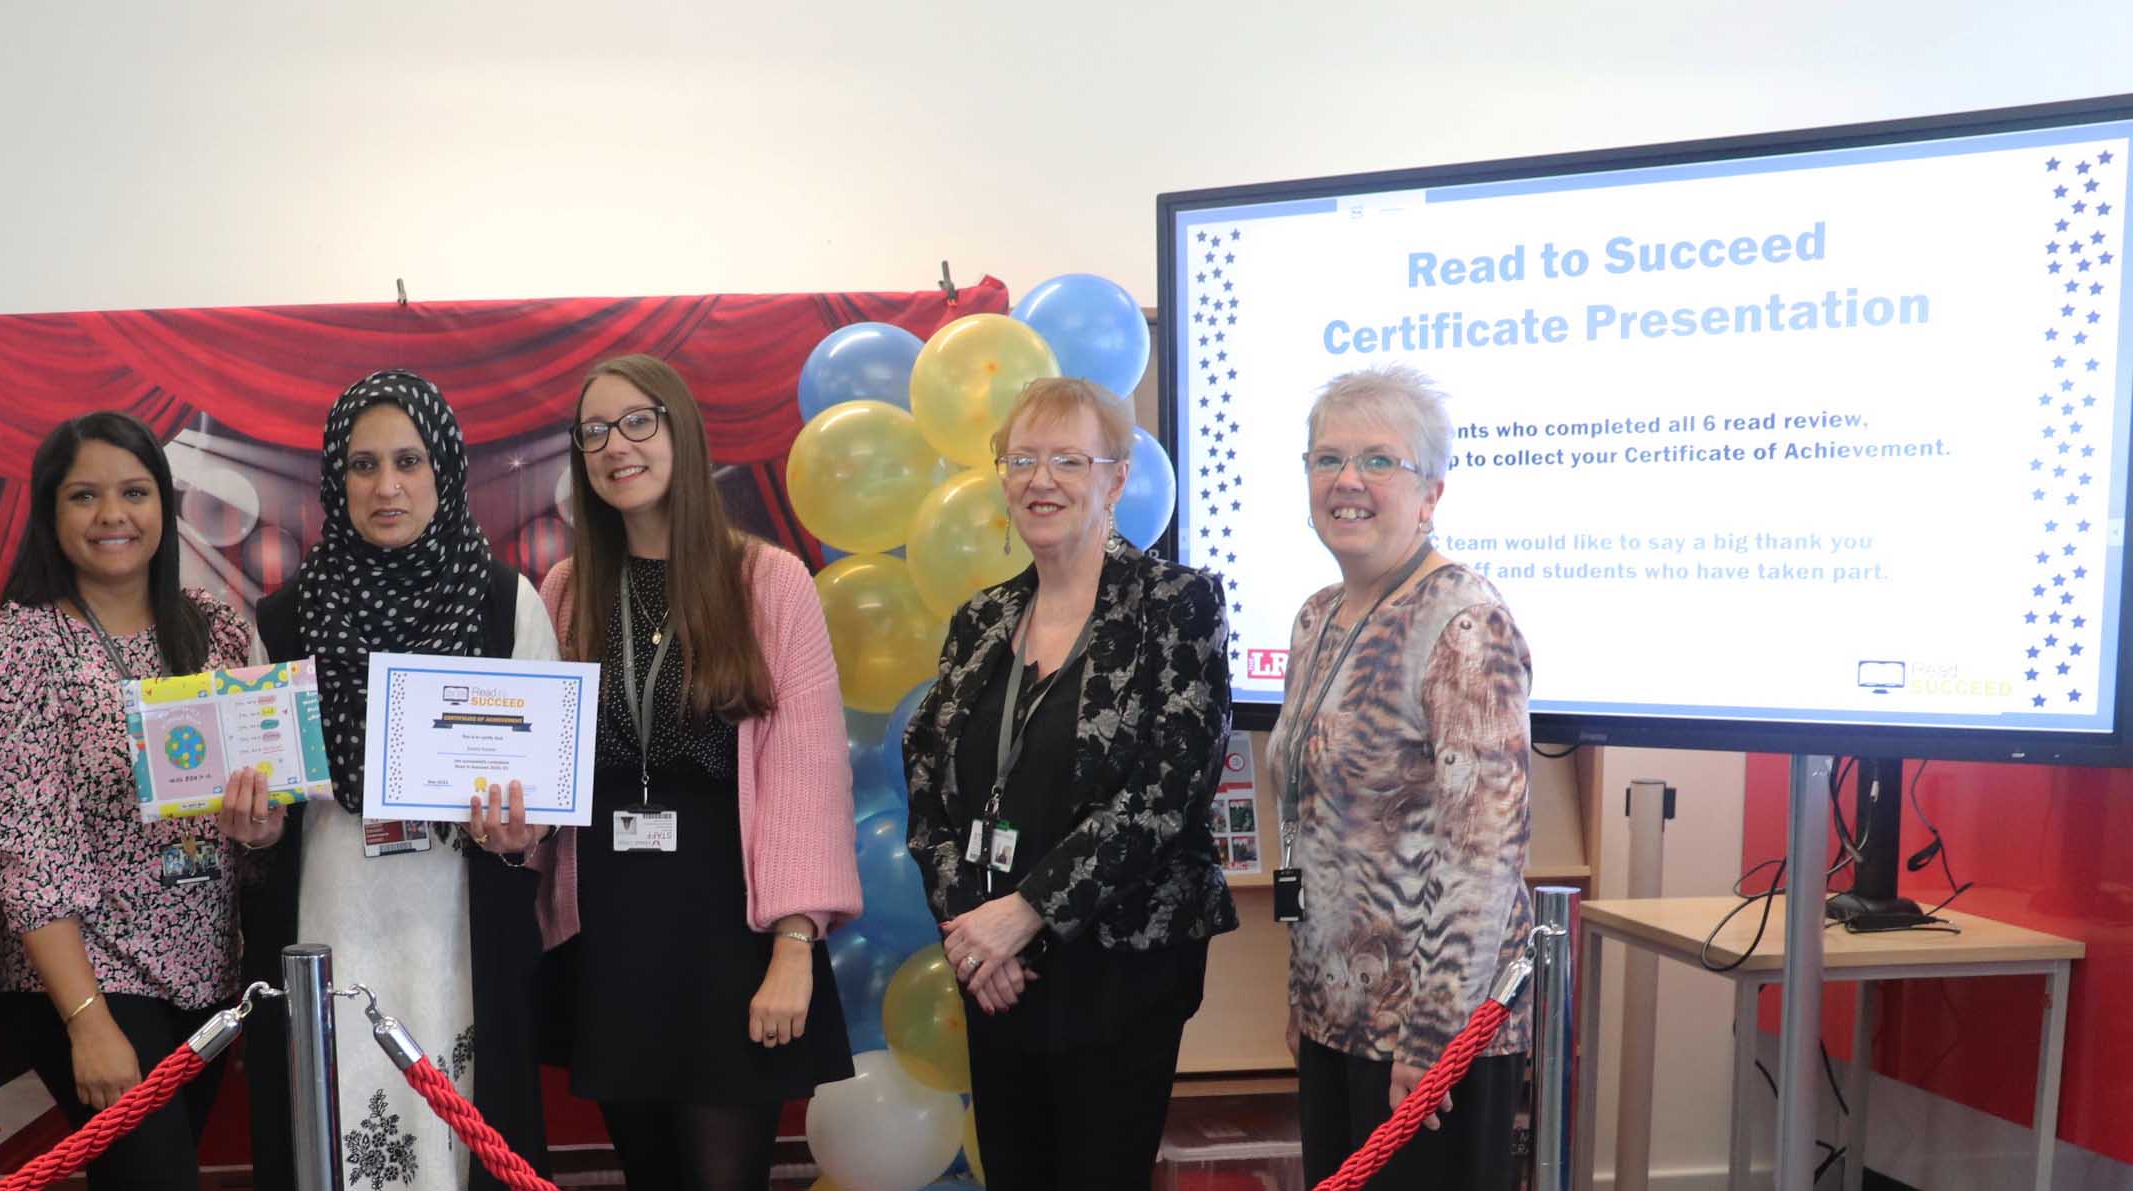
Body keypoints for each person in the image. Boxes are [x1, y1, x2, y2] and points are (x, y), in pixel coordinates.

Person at [532, 354, 859, 1191]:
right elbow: (542, 764)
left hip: (731, 927)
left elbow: (808, 775)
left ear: (681, 428)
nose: (616, 446)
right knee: (651, 1176)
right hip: (610, 926)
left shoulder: (767, 580)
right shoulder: (567, 590)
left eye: (638, 421)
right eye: (595, 431)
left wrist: (795, 941)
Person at [900, 377, 1235, 1187]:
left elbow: (1166, 794)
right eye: (1022, 459)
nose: (1039, 479)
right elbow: (925, 782)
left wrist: (1027, 913)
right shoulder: (981, 620)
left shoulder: (1174, 604)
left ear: (1116, 479)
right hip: (996, 976)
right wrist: (974, 932)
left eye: (1066, 459)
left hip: (1118, 969)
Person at [240, 370, 559, 1191]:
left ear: (444, 471)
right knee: (336, 1114)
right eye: (363, 463)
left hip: (458, 918)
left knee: (464, 1126)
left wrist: (526, 830)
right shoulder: (281, 620)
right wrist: (259, 828)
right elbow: (272, 807)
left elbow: (541, 790)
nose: (386, 486)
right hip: (333, 915)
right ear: (332, 479)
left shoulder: (503, 603)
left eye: (409, 461)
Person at [0, 412, 282, 1191]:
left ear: (164, 507)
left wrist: (263, 827)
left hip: (207, 975)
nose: (113, 515)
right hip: (89, 979)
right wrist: (87, 1018)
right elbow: (25, 843)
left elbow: (261, 803)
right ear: (49, 512)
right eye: (84, 495)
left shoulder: (214, 631)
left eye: (135, 492)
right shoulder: (21, 644)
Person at [1265, 365, 1533, 1191]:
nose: (1347, 481)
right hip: (1335, 1018)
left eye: (1379, 461)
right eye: (1327, 458)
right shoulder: (1317, 616)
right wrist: (1306, 991)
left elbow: (1483, 854)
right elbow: (1314, 826)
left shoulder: (1463, 622)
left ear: (1431, 492)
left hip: (1426, 1041)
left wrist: (1434, 1041)